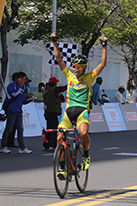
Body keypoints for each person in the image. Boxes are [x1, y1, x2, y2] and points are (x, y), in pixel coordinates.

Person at [51, 33, 107, 172]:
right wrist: (55, 42)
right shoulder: (69, 75)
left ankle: (86, 155)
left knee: (83, 134)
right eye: (74, 67)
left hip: (82, 111)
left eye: (78, 67)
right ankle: (63, 168)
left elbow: (103, 64)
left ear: (84, 68)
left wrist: (104, 47)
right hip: (69, 111)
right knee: (59, 137)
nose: (75, 69)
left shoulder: (90, 77)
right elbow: (58, 59)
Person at [0, 71, 33, 154]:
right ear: (19, 79)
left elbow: (22, 100)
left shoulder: (22, 87)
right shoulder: (12, 86)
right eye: (24, 79)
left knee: (20, 129)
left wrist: (29, 100)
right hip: (11, 110)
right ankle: (3, 146)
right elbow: (13, 95)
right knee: (9, 128)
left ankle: (22, 147)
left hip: (18, 111)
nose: (24, 81)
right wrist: (20, 89)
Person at [43, 77, 67, 151]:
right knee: (54, 129)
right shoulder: (55, 90)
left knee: (49, 128)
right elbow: (63, 88)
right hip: (53, 112)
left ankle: (46, 144)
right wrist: (71, 83)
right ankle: (52, 145)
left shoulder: (47, 91)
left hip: (47, 112)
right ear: (55, 84)